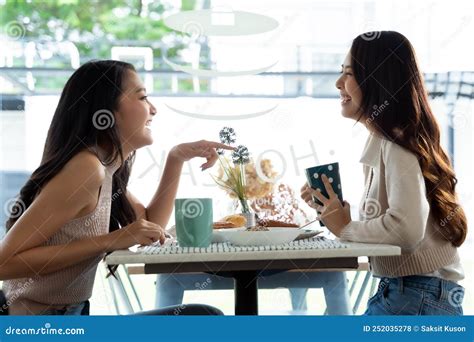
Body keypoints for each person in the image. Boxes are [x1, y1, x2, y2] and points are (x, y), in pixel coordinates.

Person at [0, 60, 231, 315]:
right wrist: (109, 240)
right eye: (142, 97)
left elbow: (152, 225)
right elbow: (4, 263)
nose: (153, 109)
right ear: (106, 111)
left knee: (202, 316)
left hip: (69, 315)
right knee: (202, 318)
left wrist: (176, 158)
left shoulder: (105, 169)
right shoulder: (86, 169)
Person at [301, 31, 467, 315]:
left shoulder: (395, 143)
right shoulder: (393, 138)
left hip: (415, 296)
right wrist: (336, 215)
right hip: (415, 293)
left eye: (349, 74)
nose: (338, 83)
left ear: (377, 80)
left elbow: (406, 228)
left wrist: (345, 228)